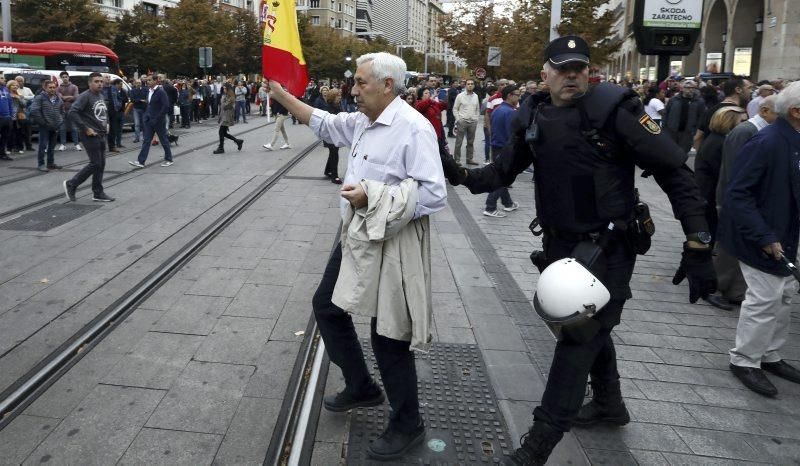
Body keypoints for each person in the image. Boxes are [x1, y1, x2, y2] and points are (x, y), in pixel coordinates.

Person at [441, 36, 715, 465]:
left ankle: (536, 448)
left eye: (579, 68)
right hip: (560, 245)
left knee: (576, 337)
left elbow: (674, 171)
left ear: (588, 71)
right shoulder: (533, 111)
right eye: (562, 68)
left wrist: (699, 241)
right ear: (545, 72)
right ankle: (609, 404)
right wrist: (456, 173)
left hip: (609, 247)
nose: (572, 76)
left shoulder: (616, 109)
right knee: (590, 328)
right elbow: (501, 171)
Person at [267, 51, 446, 461]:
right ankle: (362, 386)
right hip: (356, 235)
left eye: (361, 82)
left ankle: (408, 423)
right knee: (327, 307)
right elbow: (323, 122)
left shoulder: (413, 129)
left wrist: (375, 195)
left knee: (388, 335)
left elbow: (435, 194)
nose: (352, 89)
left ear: (388, 85)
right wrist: (281, 94)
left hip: (392, 239)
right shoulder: (362, 121)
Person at [718, 82, 800, 398]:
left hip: (786, 234)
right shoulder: (766, 142)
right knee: (764, 300)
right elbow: (737, 194)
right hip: (762, 236)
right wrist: (765, 235)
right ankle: (745, 360)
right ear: (796, 112)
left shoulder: (791, 140)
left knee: (784, 297)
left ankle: (770, 355)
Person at [709, 95, 779, 311]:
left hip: (746, 200)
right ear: (765, 111)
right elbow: (734, 171)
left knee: (742, 246)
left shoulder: (760, 132)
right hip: (735, 200)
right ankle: (716, 288)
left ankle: (734, 290)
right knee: (728, 246)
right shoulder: (746, 131)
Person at [63, 72, 114, 202]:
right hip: (90, 135)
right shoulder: (85, 96)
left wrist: (107, 123)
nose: (100, 84)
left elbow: (103, 111)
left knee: (101, 164)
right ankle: (72, 183)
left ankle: (98, 192)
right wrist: (85, 128)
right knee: (95, 163)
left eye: (101, 81)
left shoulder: (100, 95)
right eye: (96, 81)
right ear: (90, 83)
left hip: (101, 133)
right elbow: (73, 112)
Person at [483, 84, 520, 218]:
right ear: (510, 96)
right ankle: (490, 206)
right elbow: (512, 134)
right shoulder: (511, 112)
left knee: (501, 176)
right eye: (517, 95)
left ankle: (508, 203)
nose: (519, 97)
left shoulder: (498, 109)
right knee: (502, 178)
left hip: (496, 146)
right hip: (505, 148)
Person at [694, 77, 753, 150]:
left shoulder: (711, 110)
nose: (751, 91)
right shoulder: (740, 114)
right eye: (749, 88)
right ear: (738, 90)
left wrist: (702, 156)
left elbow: (698, 137)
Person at [129, 75, 173, 168]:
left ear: (156, 81)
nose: (147, 81)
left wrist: (157, 118)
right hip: (149, 120)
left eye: (150, 80)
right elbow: (149, 105)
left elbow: (165, 106)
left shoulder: (161, 92)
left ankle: (169, 159)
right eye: (147, 80)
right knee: (146, 140)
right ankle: (141, 161)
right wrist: (146, 116)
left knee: (163, 140)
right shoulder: (148, 91)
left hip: (158, 120)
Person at [662, 81, 705, 153]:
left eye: (693, 88)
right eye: (688, 88)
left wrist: (696, 133)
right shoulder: (673, 100)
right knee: (670, 153)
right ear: (682, 89)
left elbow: (701, 118)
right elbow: (666, 114)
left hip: (687, 134)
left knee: (682, 154)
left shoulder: (699, 102)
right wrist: (664, 129)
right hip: (672, 132)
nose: (690, 89)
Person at [30, 80, 64, 172]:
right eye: (50, 87)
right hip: (44, 126)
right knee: (43, 146)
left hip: (55, 126)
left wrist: (60, 121)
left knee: (52, 146)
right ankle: (41, 164)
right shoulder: (40, 98)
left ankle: (50, 163)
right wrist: (43, 122)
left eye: (54, 87)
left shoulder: (58, 98)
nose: (52, 89)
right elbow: (34, 111)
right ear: (45, 88)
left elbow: (62, 111)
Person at [452, 79, 480, 165]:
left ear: (474, 85)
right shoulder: (460, 96)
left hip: (473, 122)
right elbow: (455, 108)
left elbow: (477, 109)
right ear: (465, 85)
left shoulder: (476, 96)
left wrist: (476, 118)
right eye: (468, 84)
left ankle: (469, 159)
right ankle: (457, 160)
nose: (470, 85)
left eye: (472, 84)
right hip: (462, 121)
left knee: (471, 142)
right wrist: (458, 119)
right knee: (459, 142)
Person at [213, 83, 243, 154]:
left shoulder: (231, 97)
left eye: (225, 88)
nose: (223, 90)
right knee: (224, 133)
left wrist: (222, 100)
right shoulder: (225, 95)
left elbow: (225, 106)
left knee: (221, 132)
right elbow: (222, 106)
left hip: (227, 116)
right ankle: (238, 141)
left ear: (228, 89)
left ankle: (221, 148)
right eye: (223, 88)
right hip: (223, 116)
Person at [321, 88, 342, 184]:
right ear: (333, 97)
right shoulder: (328, 107)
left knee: (333, 152)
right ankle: (334, 176)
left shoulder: (337, 105)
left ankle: (327, 170)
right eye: (338, 95)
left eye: (340, 95)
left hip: (335, 134)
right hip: (330, 135)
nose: (340, 97)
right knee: (334, 153)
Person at [56, 71, 81, 151]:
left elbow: (76, 97)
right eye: (63, 77)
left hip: (72, 110)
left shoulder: (74, 86)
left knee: (74, 128)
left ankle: (76, 144)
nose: (65, 78)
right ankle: (63, 144)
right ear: (61, 78)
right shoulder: (58, 88)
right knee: (62, 128)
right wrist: (70, 97)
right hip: (62, 110)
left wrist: (65, 98)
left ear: (68, 77)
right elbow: (59, 98)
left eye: (66, 76)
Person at [14, 76, 34, 151]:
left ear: (23, 81)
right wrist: (25, 98)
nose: (19, 83)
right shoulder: (15, 90)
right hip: (18, 113)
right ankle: (19, 147)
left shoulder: (27, 89)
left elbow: (33, 97)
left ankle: (29, 146)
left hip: (27, 113)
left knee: (28, 131)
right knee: (19, 131)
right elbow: (18, 98)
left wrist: (23, 97)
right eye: (18, 81)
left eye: (21, 81)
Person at [129, 79, 148, 143]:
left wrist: (141, 100)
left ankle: (145, 137)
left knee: (144, 123)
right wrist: (140, 100)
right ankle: (137, 138)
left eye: (139, 83)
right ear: (134, 83)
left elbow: (147, 98)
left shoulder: (145, 89)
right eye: (137, 83)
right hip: (136, 109)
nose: (138, 84)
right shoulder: (132, 91)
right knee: (137, 124)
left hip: (144, 109)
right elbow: (132, 100)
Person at [0, 73, 13, 160]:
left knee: (5, 136)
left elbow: (10, 103)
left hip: (7, 117)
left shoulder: (5, 89)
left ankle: (2, 153)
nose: (4, 80)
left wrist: (11, 115)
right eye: (1, 78)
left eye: (3, 78)